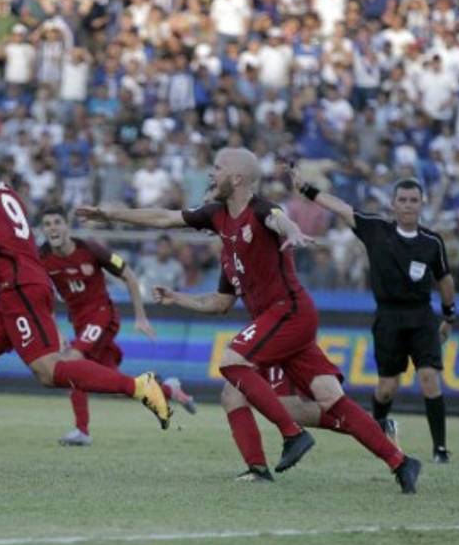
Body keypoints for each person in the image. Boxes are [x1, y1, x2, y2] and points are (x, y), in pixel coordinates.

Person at [79, 147, 421, 493]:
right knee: (305, 397)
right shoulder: (220, 223)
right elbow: (213, 290)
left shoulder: (261, 211)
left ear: (237, 178)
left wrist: (292, 231)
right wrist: (174, 293)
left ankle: (292, 435)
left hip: (289, 312)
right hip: (281, 322)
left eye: (217, 168)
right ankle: (399, 462)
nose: (211, 174)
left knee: (231, 362)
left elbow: (279, 219)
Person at [0, 145, 171, 468]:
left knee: (49, 371)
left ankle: (139, 386)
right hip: (18, 287)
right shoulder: (0, 188)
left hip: (20, 287)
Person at [298, 174, 457, 463]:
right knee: (386, 389)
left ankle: (440, 449)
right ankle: (377, 434)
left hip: (422, 317)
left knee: (429, 378)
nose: (408, 206)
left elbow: (445, 279)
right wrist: (308, 190)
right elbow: (341, 208)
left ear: (421, 205)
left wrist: (449, 316)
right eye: (402, 200)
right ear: (394, 205)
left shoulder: (432, 242)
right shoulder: (375, 229)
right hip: (388, 317)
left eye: (413, 200)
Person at [38, 206, 196, 446]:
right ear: (42, 230)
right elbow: (41, 295)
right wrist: (55, 330)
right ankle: (167, 390)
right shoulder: (42, 257)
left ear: (67, 226)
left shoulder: (90, 249)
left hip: (102, 316)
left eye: (57, 222)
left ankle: (82, 431)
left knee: (71, 363)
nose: (52, 228)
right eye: (47, 224)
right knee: (114, 383)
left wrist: (140, 317)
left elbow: (129, 276)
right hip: (80, 323)